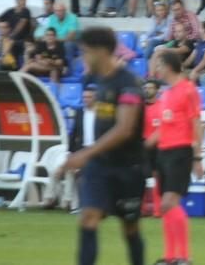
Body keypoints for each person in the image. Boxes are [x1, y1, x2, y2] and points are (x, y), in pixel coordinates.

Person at [60, 27, 146, 265]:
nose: (82, 57)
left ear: (100, 51)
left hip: (128, 167)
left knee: (129, 227)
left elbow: (125, 129)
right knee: (88, 217)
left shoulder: (128, 83)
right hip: (100, 166)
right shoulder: (94, 80)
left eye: (85, 51)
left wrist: (86, 153)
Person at [147, 50, 203, 265]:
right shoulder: (166, 94)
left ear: (169, 66)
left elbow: (196, 124)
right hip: (164, 152)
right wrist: (144, 145)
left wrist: (198, 157)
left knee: (171, 202)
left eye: (160, 65)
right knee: (164, 206)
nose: (157, 69)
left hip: (180, 151)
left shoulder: (188, 90)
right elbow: (162, 128)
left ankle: (184, 256)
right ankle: (171, 257)